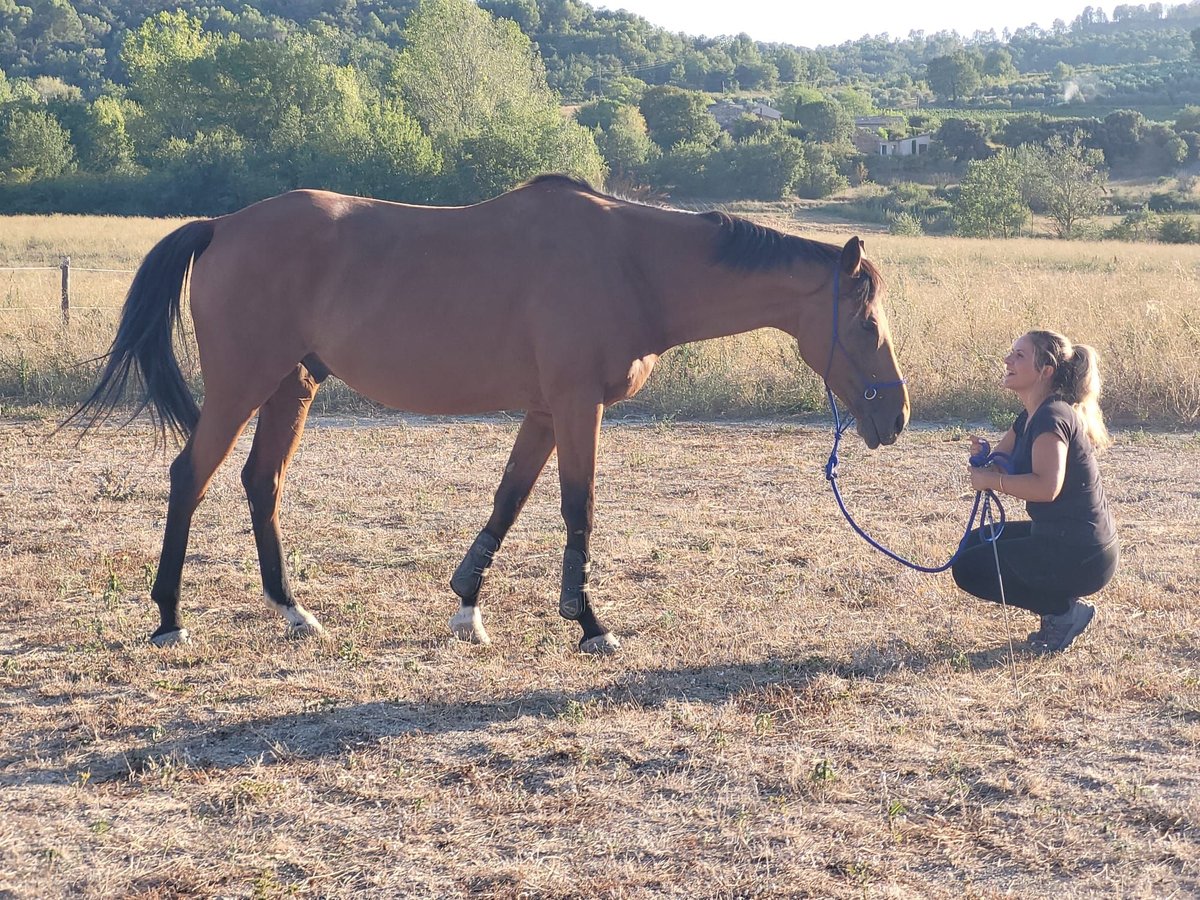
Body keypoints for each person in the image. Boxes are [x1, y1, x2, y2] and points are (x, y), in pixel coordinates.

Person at [952, 330, 1119, 653]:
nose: (1007, 360)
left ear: (1046, 371)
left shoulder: (1052, 417)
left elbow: (1046, 487)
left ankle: (1062, 612)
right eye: (1010, 352)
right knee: (971, 546)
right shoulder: (1031, 415)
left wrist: (991, 481)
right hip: (1062, 538)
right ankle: (1061, 609)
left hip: (1082, 553)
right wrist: (987, 462)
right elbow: (1003, 460)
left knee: (969, 568)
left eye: (1019, 355)